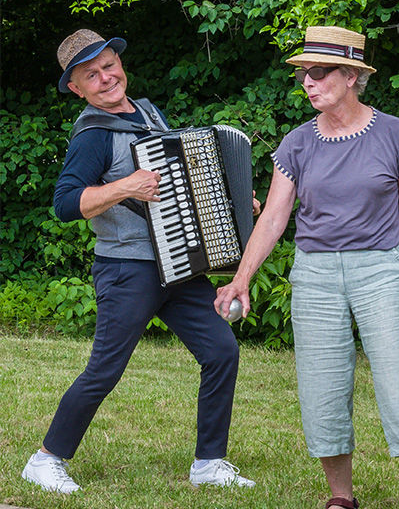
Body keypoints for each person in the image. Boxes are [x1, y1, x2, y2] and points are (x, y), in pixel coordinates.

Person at [214, 25, 399, 509]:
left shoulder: (398, 135)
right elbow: (274, 217)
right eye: (303, 74)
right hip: (314, 274)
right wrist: (241, 278)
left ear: (353, 75)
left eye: (319, 72)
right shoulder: (296, 144)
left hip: (381, 269)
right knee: (322, 388)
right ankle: (341, 498)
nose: (308, 82)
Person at [21, 29, 255, 493]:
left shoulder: (147, 112)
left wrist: (232, 200)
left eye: (109, 65)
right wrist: (125, 187)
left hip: (177, 262)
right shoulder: (91, 135)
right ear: (77, 88)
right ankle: (45, 460)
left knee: (221, 350)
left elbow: (181, 179)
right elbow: (66, 203)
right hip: (127, 268)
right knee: (105, 369)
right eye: (92, 75)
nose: (106, 78)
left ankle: (209, 463)